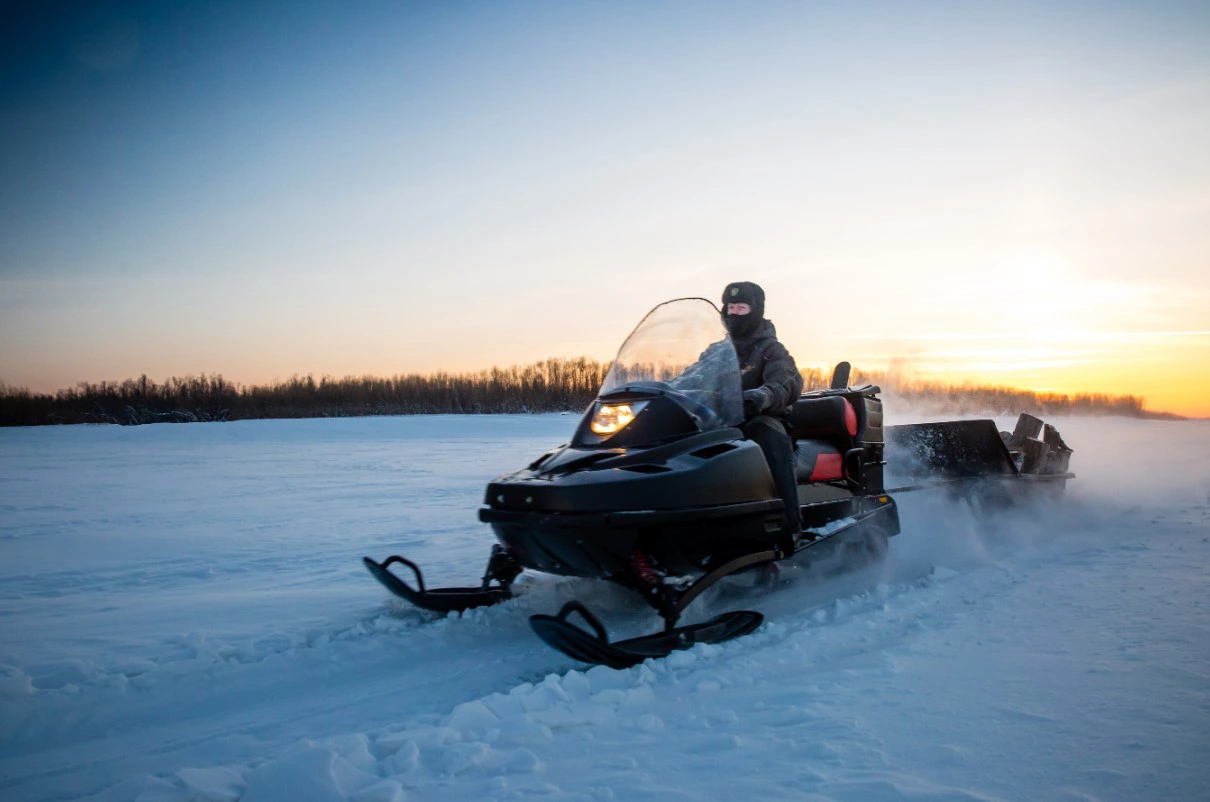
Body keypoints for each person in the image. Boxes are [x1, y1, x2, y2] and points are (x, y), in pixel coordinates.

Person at [721, 281, 804, 538]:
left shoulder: (771, 350)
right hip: (723, 423)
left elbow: (787, 383)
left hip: (763, 419)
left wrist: (763, 396)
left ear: (755, 310)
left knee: (763, 432)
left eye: (741, 307)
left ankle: (790, 528)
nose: (734, 313)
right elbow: (693, 379)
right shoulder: (717, 352)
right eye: (730, 307)